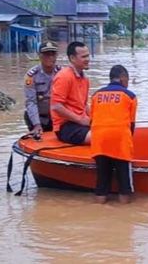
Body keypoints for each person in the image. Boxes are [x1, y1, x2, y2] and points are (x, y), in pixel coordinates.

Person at [88, 65, 137, 204]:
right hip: (120, 143)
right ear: (123, 78)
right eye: (127, 80)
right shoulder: (130, 96)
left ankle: (100, 209)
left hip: (99, 142)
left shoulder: (96, 95)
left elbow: (91, 121)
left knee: (101, 184)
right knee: (124, 186)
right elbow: (131, 125)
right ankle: (124, 219)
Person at [51, 41, 92, 145]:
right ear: (72, 58)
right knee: (100, 138)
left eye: (88, 56)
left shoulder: (85, 79)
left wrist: (95, 119)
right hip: (65, 126)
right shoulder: (64, 76)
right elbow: (56, 106)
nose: (88, 59)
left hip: (80, 122)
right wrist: (80, 120)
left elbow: (84, 104)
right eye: (84, 57)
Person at [23, 41, 61, 139]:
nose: (50, 57)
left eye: (53, 54)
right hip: (39, 117)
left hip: (57, 117)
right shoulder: (31, 76)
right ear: (39, 56)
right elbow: (31, 102)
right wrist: (36, 124)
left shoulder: (63, 73)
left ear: (57, 55)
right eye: (46, 54)